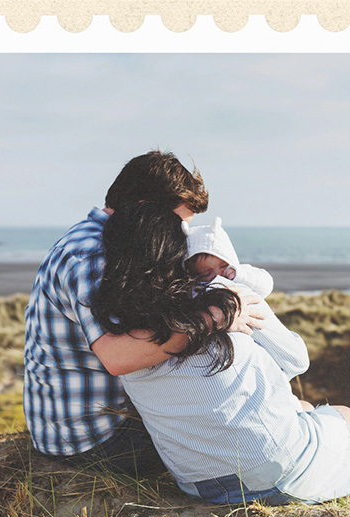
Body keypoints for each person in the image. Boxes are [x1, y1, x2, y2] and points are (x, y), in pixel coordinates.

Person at [91, 201, 350, 516]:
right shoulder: (225, 298)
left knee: (303, 410)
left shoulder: (115, 327)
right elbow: (297, 361)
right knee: (349, 419)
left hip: (197, 483)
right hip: (273, 472)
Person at [23, 151, 265, 475]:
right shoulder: (93, 254)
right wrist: (212, 319)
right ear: (143, 208)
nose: (181, 236)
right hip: (97, 438)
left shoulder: (100, 240)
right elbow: (118, 356)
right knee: (248, 442)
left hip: (74, 428)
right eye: (177, 223)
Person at [183, 216, 273, 298]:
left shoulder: (240, 274)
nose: (218, 275)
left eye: (223, 266)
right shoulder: (195, 290)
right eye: (207, 273)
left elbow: (266, 285)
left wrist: (240, 275)